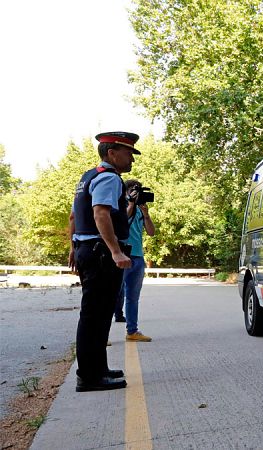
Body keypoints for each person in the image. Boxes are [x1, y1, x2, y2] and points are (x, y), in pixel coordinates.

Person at [68, 131, 139, 392]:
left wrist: (74, 246)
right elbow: (100, 214)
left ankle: (98, 369)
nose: (131, 158)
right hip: (100, 253)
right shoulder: (109, 178)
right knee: (95, 316)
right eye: (128, 152)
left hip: (88, 248)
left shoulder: (89, 176)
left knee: (97, 315)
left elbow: (75, 216)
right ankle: (89, 376)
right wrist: (116, 252)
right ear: (112, 153)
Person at [120, 179, 156, 342]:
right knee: (112, 295)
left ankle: (132, 331)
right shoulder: (120, 206)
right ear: (127, 191)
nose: (137, 194)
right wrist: (131, 204)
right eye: (134, 191)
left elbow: (151, 232)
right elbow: (121, 222)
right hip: (121, 255)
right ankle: (101, 334)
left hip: (137, 256)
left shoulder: (141, 210)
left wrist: (146, 214)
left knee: (133, 297)